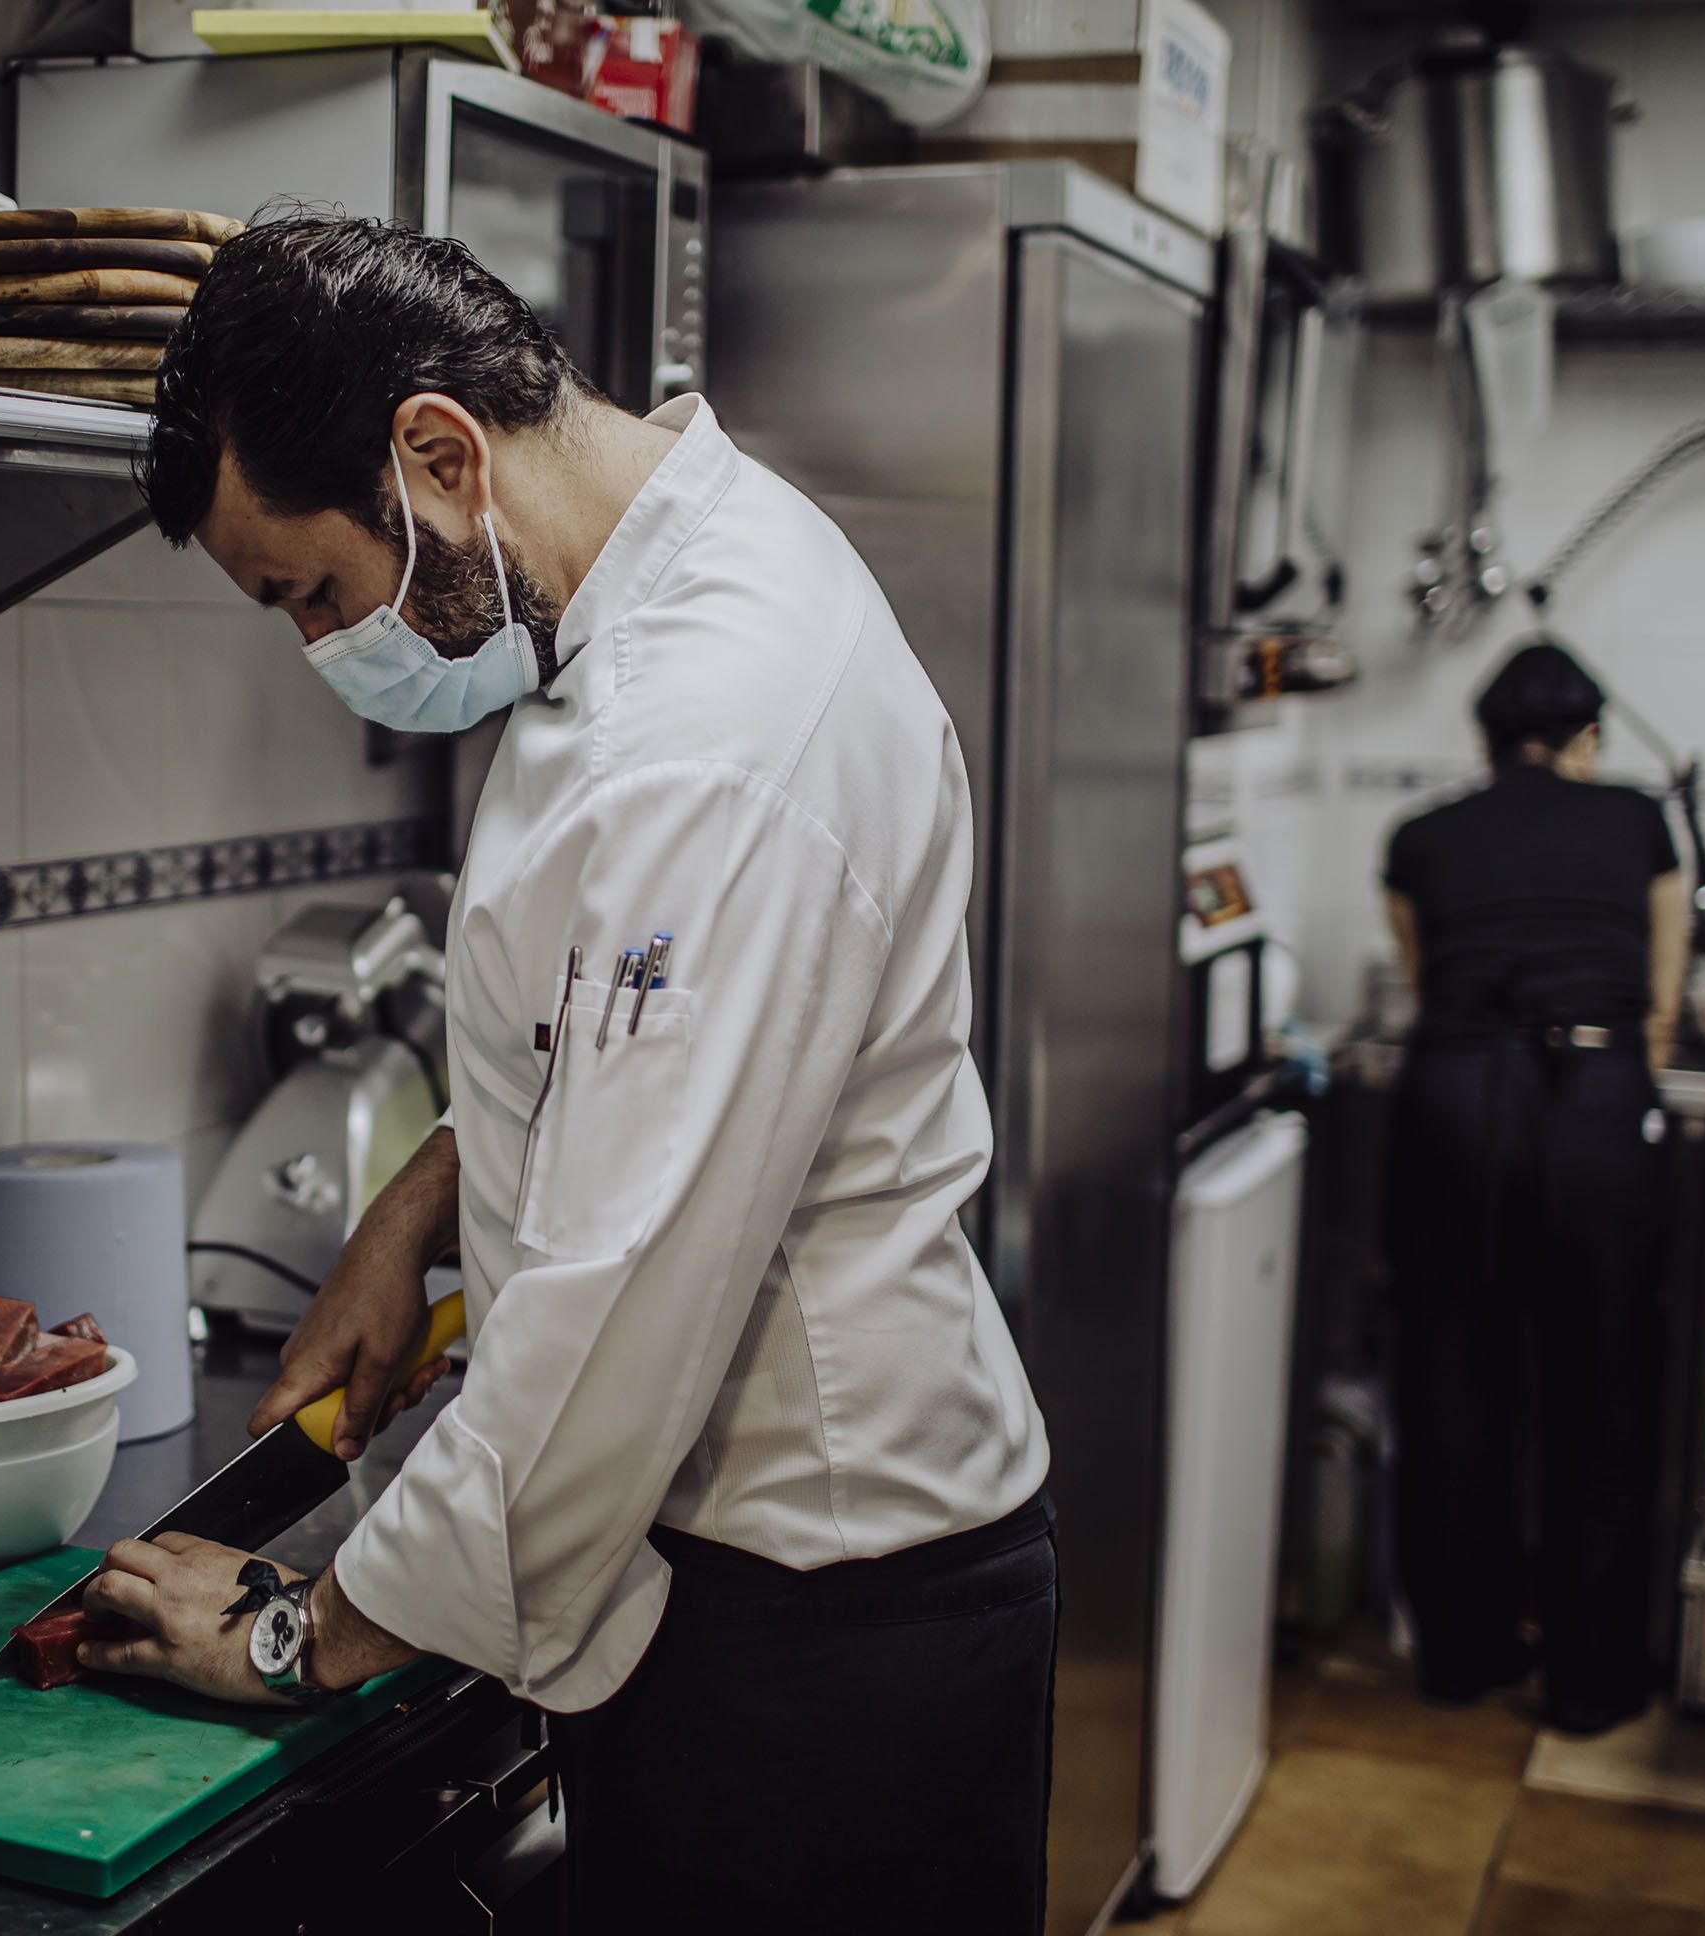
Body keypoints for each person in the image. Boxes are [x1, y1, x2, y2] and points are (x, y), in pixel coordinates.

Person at [64, 216, 1057, 1930]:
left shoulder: (715, 736)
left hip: (818, 1638)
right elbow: (630, 1040)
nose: (320, 646)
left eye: (310, 588)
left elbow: (621, 1309)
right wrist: (417, 1211)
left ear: (439, 455)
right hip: (764, 1597)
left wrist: (299, 1630)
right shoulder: (649, 594)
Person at [1380, 641, 1691, 1736]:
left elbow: (1425, 983)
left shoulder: (1419, 837)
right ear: (1588, 740)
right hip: (1594, 1097)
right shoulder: (1638, 818)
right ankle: (1592, 1676)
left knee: (1452, 1371)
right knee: (1603, 1381)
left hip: (1454, 1098)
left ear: (1486, 742)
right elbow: (1661, 997)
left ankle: (1461, 1653)